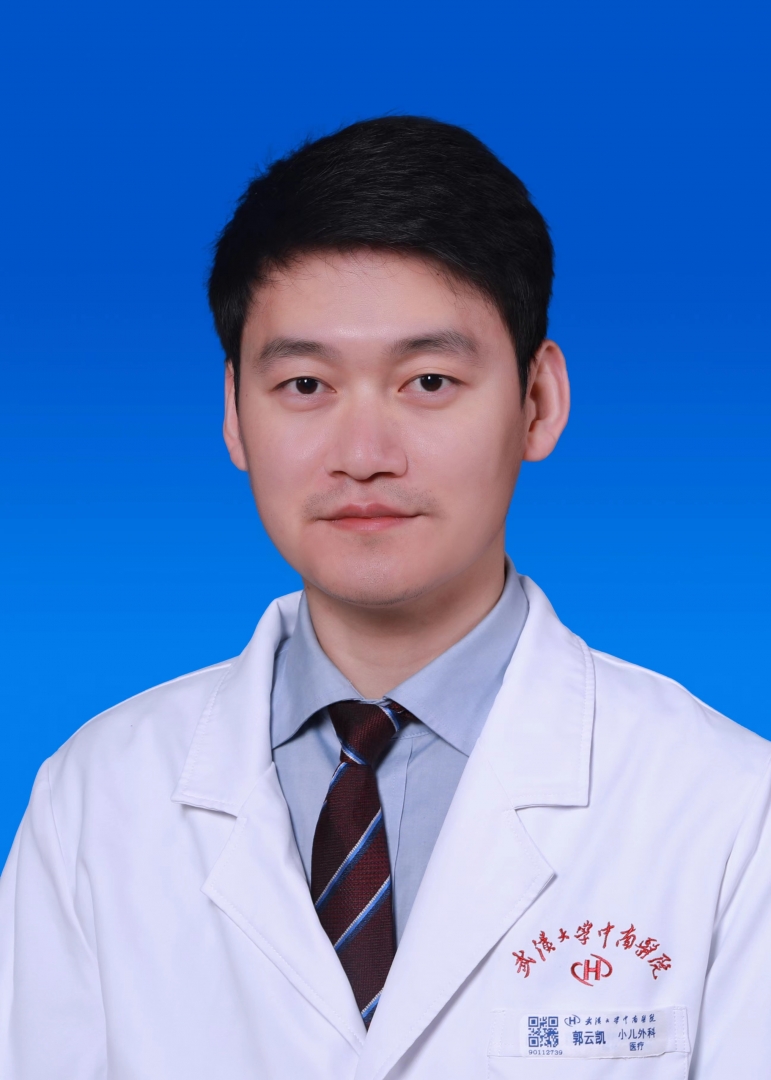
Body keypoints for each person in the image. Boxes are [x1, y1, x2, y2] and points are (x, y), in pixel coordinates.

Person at [0, 116, 769, 1080]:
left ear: (538, 401)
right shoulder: (96, 798)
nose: (363, 456)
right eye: (305, 384)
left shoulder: (728, 809)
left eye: (428, 380)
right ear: (233, 413)